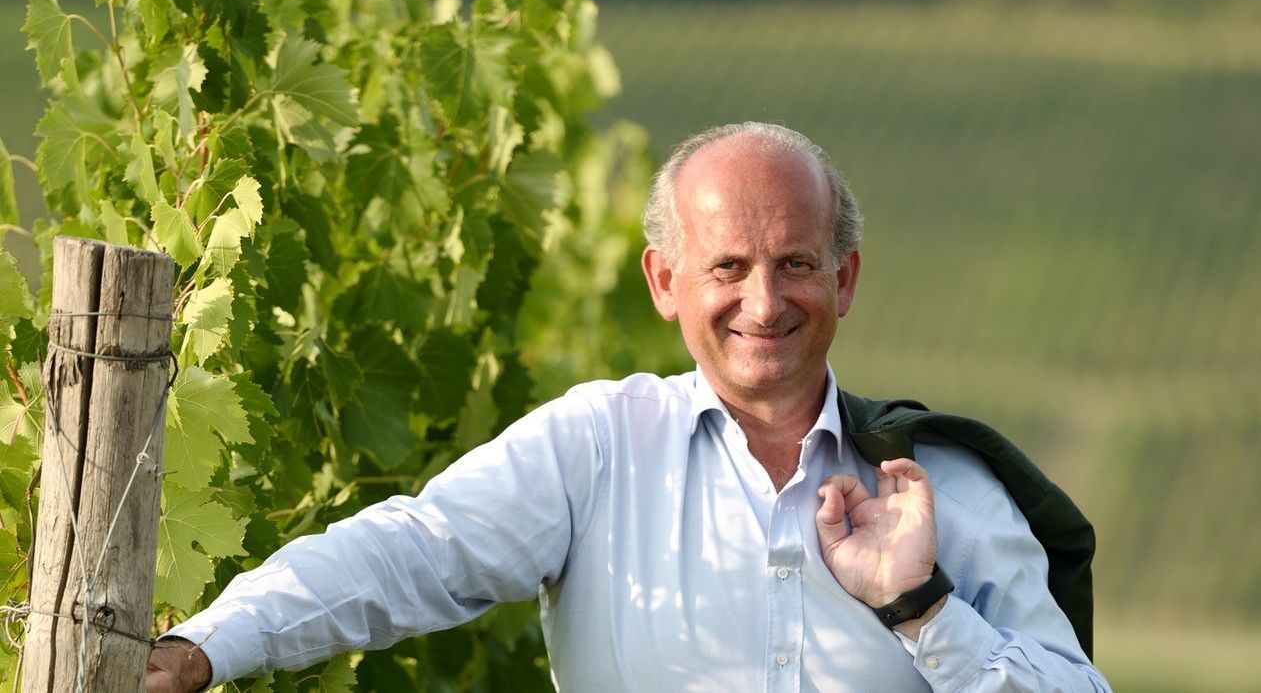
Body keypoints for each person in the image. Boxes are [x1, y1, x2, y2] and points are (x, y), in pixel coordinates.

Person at [147, 122, 1111, 692]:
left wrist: (921, 608)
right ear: (663, 281)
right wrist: (206, 647)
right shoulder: (595, 449)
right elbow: (406, 554)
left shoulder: (941, 484)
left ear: (844, 278)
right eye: (726, 267)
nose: (763, 302)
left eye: (795, 263)